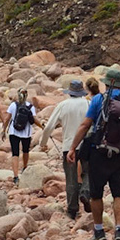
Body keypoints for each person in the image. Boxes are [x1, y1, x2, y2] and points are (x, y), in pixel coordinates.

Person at [71, 67, 120, 240]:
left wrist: (73, 148)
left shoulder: (98, 100)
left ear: (106, 83)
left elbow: (85, 125)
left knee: (96, 194)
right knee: (119, 193)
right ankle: (119, 231)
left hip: (98, 153)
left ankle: (99, 233)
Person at [40, 79, 90, 219]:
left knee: (71, 177)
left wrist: (42, 142)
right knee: (88, 172)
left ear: (70, 92)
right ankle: (85, 192)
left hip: (68, 146)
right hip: (86, 144)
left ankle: (72, 209)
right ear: (81, 92)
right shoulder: (88, 104)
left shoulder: (63, 105)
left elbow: (49, 126)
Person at [5, 88, 35, 178]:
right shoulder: (30, 106)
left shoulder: (13, 105)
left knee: (15, 153)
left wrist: (3, 130)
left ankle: (15, 175)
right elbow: (33, 120)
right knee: (25, 151)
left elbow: (7, 119)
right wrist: (42, 126)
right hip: (26, 133)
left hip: (14, 132)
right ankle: (25, 167)